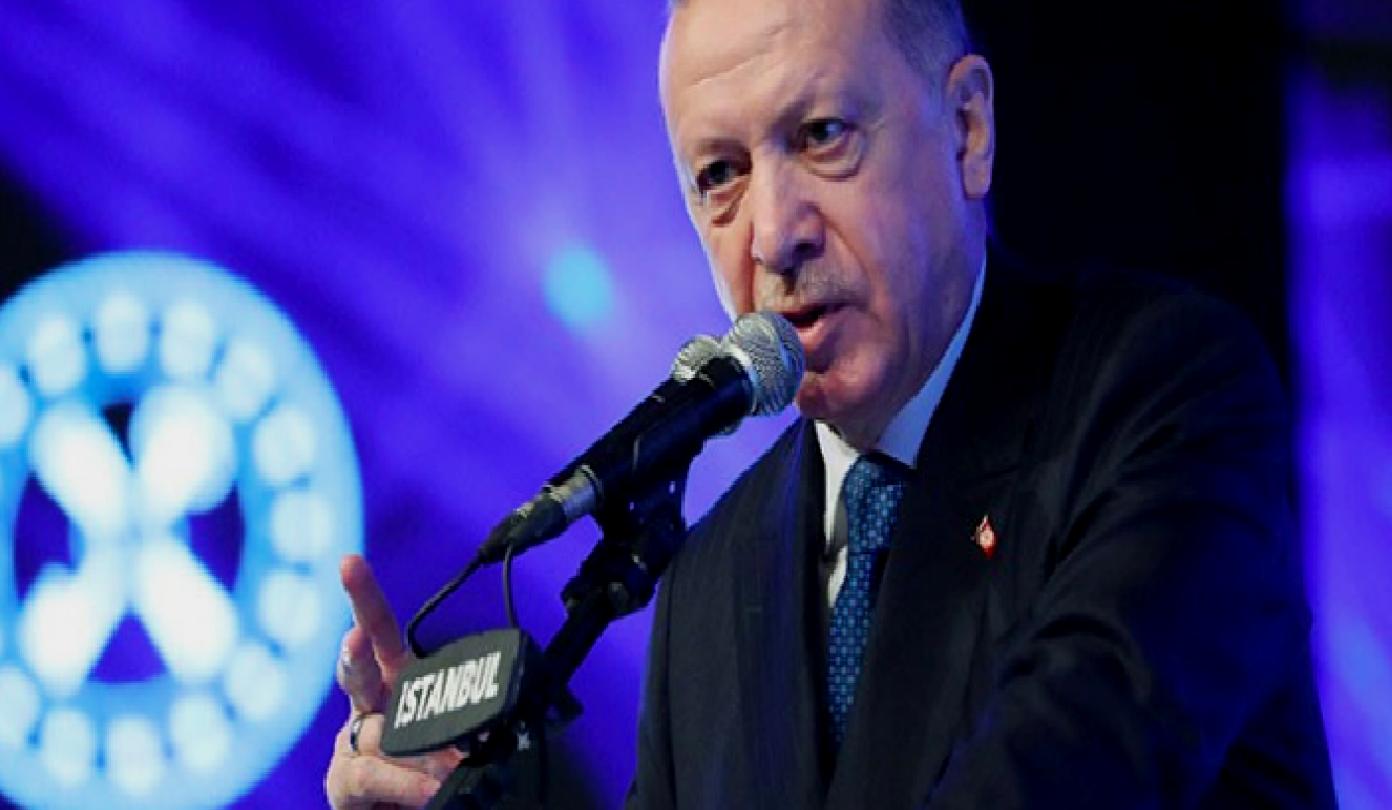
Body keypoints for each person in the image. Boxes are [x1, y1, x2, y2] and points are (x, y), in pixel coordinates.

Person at [325, 0, 1337, 807]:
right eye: (721, 174)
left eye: (821, 136)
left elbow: (1064, 770)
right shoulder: (712, 578)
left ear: (967, 129)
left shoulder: (1162, 397)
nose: (773, 235)